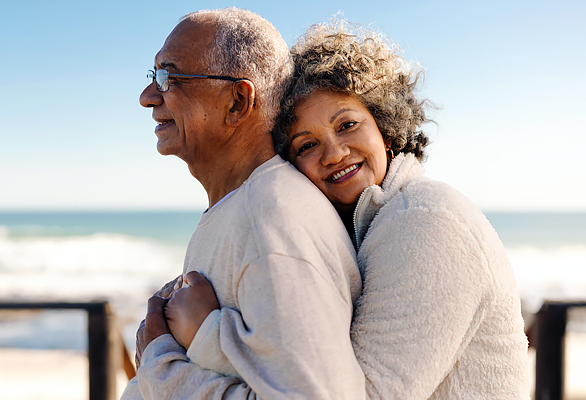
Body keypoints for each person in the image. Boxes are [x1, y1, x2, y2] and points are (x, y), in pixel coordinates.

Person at [164, 21, 532, 399]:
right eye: (306, 146)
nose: (334, 153)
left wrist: (204, 336)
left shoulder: (425, 221)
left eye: (348, 125)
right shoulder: (370, 225)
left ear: (386, 129)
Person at [121, 8, 366, 400]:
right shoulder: (246, 207)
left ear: (237, 101)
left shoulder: (272, 217)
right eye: (153, 77)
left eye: (168, 77)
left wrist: (159, 363)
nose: (148, 97)